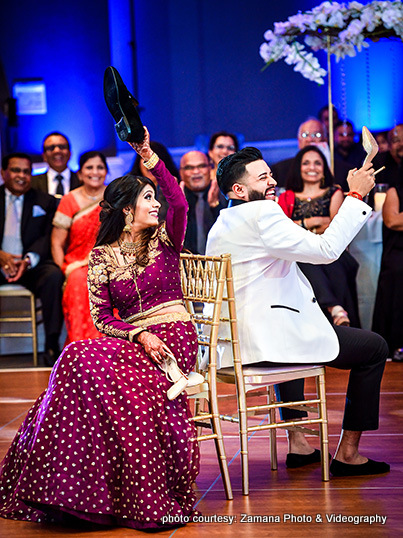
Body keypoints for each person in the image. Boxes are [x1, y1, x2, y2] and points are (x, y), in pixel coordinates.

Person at [0, 129, 200, 530]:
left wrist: (147, 154)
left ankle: (100, 493)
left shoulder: (167, 240)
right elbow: (103, 318)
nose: (156, 203)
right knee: (76, 358)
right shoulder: (102, 256)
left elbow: (177, 197)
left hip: (174, 340)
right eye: (147, 198)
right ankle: (72, 493)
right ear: (126, 210)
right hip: (136, 342)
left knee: (82, 363)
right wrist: (139, 334)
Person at [206, 147, 389, 477]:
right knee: (374, 348)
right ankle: (348, 454)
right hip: (265, 342)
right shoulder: (263, 214)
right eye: (263, 177)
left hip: (232, 344)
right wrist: (357, 193)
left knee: (297, 324)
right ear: (239, 189)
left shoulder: (225, 220)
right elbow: (327, 249)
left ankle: (299, 444)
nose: (273, 181)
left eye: (271, 174)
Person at [278, 145, 361, 328]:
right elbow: (282, 229)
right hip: (302, 254)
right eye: (306, 163)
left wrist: (299, 227)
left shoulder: (334, 192)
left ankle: (337, 312)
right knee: (305, 257)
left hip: (333, 252)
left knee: (317, 258)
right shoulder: (286, 197)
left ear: (324, 168)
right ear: (298, 167)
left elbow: (335, 227)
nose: (312, 167)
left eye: (317, 163)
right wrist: (312, 222)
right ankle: (335, 309)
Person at [0, 153, 64, 365]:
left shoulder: (44, 201)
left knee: (53, 275)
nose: (22, 176)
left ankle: (52, 347)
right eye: (16, 170)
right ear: (4, 173)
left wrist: (26, 260)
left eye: (26, 172)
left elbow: (47, 237)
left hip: (30, 266)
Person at [51, 151, 107, 344]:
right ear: (80, 173)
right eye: (89, 168)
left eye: (100, 167)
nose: (95, 172)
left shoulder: (114, 198)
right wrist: (64, 272)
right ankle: (81, 349)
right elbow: (57, 243)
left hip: (108, 262)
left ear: (106, 172)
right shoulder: (69, 200)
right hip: (76, 264)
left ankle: (110, 351)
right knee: (78, 282)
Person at [372, 168, 403, 362]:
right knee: (398, 270)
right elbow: (392, 220)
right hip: (399, 251)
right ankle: (397, 343)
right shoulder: (395, 192)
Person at [271, 118, 350, 191]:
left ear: (325, 140)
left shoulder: (344, 171)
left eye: (316, 135)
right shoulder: (280, 170)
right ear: (299, 141)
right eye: (305, 135)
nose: (310, 139)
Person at [179, 150, 226, 254]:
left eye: (202, 166)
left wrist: (215, 207)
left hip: (220, 264)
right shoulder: (169, 197)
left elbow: (232, 233)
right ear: (181, 173)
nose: (196, 172)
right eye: (189, 168)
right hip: (184, 265)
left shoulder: (225, 193)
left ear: (210, 168)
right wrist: (179, 209)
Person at [130, 139, 179, 221]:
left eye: (155, 159)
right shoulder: (129, 186)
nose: (150, 163)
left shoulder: (176, 185)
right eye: (145, 159)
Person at [31, 132, 80, 197]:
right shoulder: (32, 182)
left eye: (62, 147)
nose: (57, 151)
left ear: (70, 153)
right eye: (51, 148)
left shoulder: (81, 181)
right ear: (44, 156)